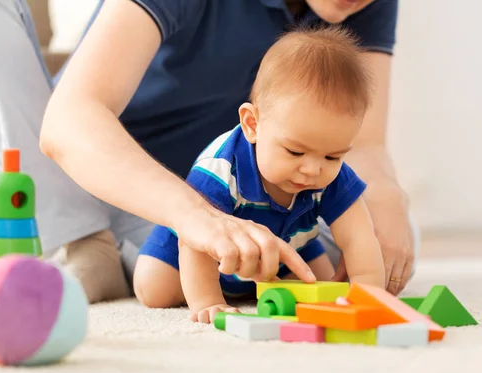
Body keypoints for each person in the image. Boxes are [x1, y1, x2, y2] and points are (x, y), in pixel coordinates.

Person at [0, 0, 418, 304]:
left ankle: (121, 262)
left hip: (226, 206)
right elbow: (69, 119)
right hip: (95, 185)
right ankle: (79, 240)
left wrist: (386, 197)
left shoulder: (361, 4)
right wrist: (198, 217)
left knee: (387, 228)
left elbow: (360, 144)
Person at [135, 26, 387, 323]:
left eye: (333, 156)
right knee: (154, 290)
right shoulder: (221, 169)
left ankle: (256, 287)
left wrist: (369, 296)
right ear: (252, 124)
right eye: (295, 152)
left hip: (286, 250)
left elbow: (360, 238)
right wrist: (208, 301)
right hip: (198, 252)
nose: (313, 169)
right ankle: (124, 255)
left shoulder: (332, 174)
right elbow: (196, 242)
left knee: (321, 287)